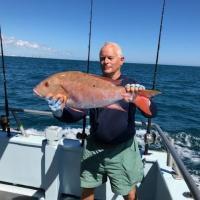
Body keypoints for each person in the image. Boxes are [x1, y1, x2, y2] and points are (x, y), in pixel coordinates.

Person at [47, 42, 157, 200]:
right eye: (102, 58)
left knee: (129, 194)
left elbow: (151, 113)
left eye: (110, 57)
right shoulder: (91, 83)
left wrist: (140, 97)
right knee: (86, 191)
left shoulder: (130, 85)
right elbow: (77, 115)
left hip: (123, 150)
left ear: (122, 60)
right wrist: (58, 111)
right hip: (94, 147)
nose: (106, 61)